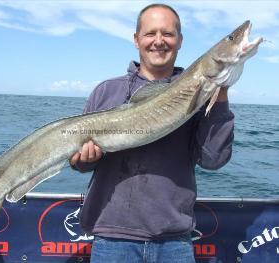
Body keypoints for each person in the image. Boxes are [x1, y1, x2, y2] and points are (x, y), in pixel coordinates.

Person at [70, 3, 234, 263]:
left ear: (180, 41)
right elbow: (78, 163)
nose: (159, 41)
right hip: (113, 237)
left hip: (174, 241)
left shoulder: (200, 96)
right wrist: (83, 160)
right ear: (136, 40)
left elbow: (213, 159)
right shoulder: (106, 92)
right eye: (150, 33)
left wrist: (220, 92)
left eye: (168, 34)